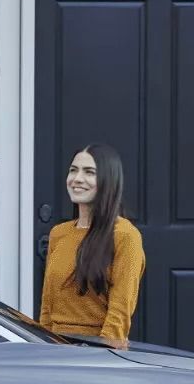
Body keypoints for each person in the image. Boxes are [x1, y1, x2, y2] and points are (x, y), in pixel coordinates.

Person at [37, 143, 145, 348]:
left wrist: (100, 354)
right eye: (73, 170)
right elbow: (47, 308)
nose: (77, 179)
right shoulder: (59, 233)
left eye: (89, 172)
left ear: (108, 180)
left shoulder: (126, 236)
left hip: (95, 353)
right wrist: (44, 347)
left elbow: (119, 313)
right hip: (55, 350)